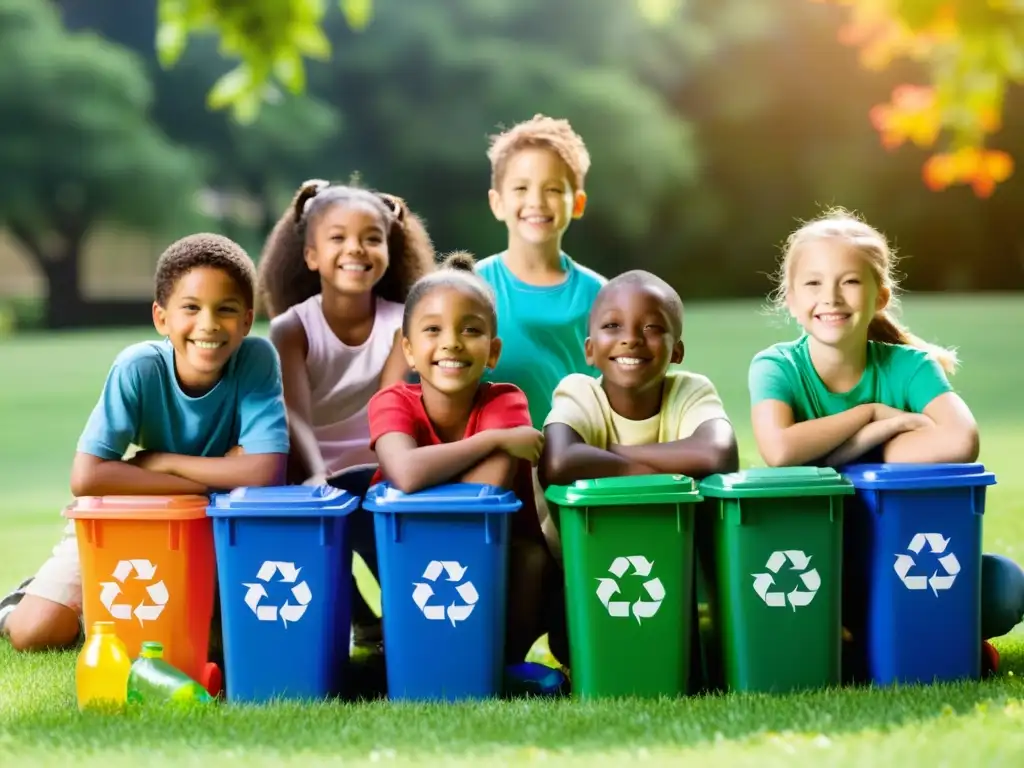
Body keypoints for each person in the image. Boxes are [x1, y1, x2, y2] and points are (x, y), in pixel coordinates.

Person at [747, 207, 1024, 671]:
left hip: (905, 559)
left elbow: (961, 440)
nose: (830, 297)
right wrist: (875, 419)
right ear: (790, 299)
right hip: (818, 570)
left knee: (1002, 587)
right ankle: (887, 637)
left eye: (850, 281)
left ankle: (913, 635)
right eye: (813, 283)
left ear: (880, 297)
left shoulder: (910, 367)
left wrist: (840, 454)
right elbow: (779, 451)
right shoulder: (777, 367)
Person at [0, 234, 289, 652]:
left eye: (225, 310)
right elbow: (87, 477)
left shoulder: (257, 360)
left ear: (246, 320)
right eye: (190, 308)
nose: (208, 324)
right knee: (36, 634)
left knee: (208, 641)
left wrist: (160, 463)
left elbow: (266, 473)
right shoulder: (138, 368)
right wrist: (218, 479)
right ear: (161, 317)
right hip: (129, 518)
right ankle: (24, 600)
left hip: (214, 525)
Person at [256, 179, 435, 650]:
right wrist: (316, 473)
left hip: (380, 456)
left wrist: (382, 469)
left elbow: (389, 402)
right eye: (338, 238)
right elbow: (293, 413)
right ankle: (359, 614)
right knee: (322, 528)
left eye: (371, 238)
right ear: (312, 255)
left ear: (388, 250)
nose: (355, 249)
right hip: (308, 459)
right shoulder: (291, 327)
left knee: (374, 523)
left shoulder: (403, 323)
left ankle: (406, 625)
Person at [539, 270, 739, 675]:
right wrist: (665, 466)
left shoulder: (690, 390)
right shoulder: (579, 392)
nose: (631, 338)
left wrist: (607, 453)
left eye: (651, 327)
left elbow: (719, 456)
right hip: (573, 571)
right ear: (590, 350)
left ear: (676, 350)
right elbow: (558, 463)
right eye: (613, 326)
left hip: (670, 566)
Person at [367, 252, 553, 673]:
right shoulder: (390, 402)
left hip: (501, 565)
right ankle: (406, 653)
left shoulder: (506, 401)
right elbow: (407, 472)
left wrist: (429, 463)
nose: (451, 341)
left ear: (492, 351)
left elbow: (480, 498)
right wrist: (493, 440)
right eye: (433, 329)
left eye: (470, 330)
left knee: (533, 559)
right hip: (414, 554)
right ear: (409, 351)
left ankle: (499, 664)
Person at [477, 114, 606, 430]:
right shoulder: (470, 288)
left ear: (577, 203)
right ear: (497, 203)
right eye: (521, 188)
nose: (536, 201)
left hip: (577, 461)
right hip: (491, 461)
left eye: (552, 189)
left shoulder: (602, 295)